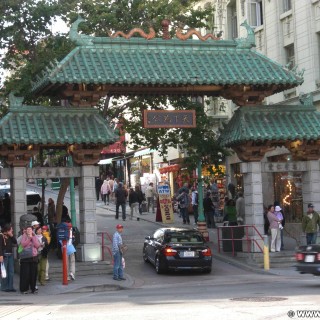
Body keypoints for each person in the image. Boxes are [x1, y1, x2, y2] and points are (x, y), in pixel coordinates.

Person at [19, 226, 41, 294]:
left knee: (33, 274)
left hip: (33, 257)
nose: (29, 231)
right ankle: (24, 289)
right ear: (25, 230)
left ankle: (33, 288)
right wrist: (29, 238)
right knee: (26, 274)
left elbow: (37, 245)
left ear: (32, 230)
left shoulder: (34, 236)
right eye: (27, 229)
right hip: (25, 258)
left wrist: (33, 238)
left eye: (30, 229)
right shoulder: (24, 236)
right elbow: (23, 244)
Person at [0, 224, 17, 292]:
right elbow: (0, 247)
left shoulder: (10, 236)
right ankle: (4, 287)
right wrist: (0, 256)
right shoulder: (1, 236)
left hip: (10, 255)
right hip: (4, 255)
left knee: (11, 271)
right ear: (7, 230)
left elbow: (15, 242)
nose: (12, 230)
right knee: (4, 271)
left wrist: (12, 235)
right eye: (11, 230)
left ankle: (10, 286)